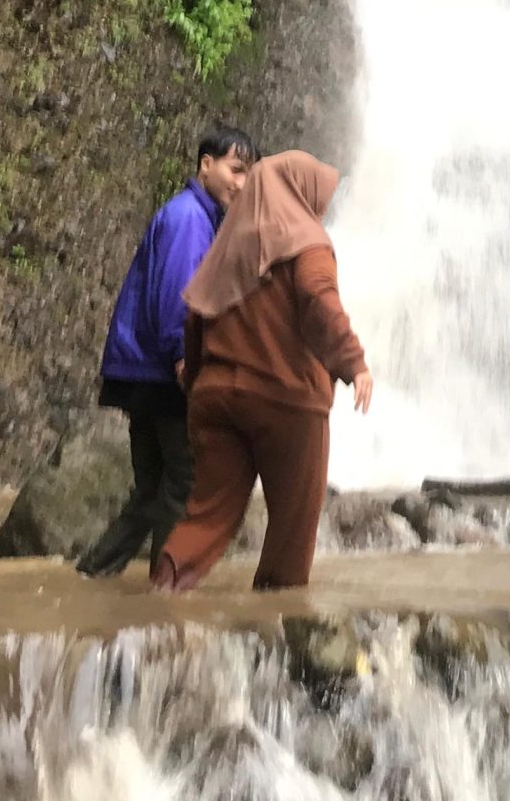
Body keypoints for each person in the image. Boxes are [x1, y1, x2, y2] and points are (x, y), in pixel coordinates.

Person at [150, 150, 373, 592]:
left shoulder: (228, 245)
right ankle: (276, 622)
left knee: (208, 513)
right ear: (298, 191)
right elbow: (318, 299)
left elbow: (195, 314)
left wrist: (196, 384)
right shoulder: (307, 241)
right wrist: (354, 363)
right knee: (294, 520)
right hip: (285, 400)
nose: (320, 209)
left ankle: (163, 592)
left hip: (216, 399)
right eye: (317, 197)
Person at [75, 125, 255, 578]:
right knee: (185, 483)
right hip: (162, 373)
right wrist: (184, 359)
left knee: (153, 490)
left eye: (249, 175)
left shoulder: (194, 216)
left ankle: (92, 576)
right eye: (235, 170)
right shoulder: (190, 219)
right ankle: (165, 594)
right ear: (205, 165)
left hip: (141, 371)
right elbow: (179, 295)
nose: (242, 183)